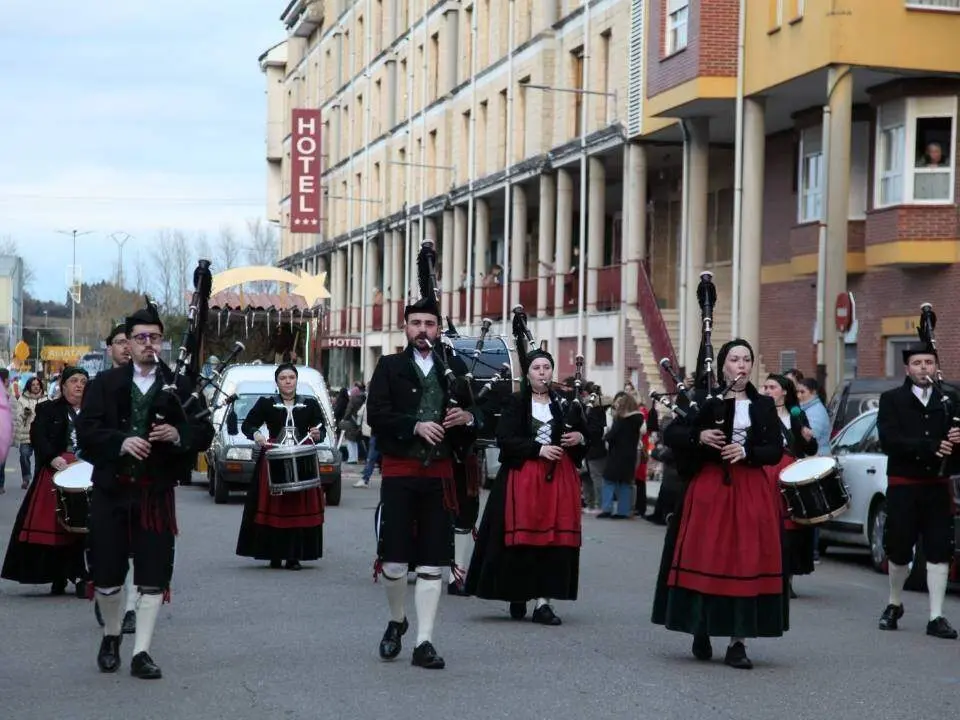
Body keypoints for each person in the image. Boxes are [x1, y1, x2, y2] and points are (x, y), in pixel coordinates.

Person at [77, 304, 214, 680]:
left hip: (155, 494)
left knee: (153, 575)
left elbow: (204, 432)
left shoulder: (179, 385)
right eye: (140, 338)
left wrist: (178, 434)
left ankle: (141, 652)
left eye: (154, 337)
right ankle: (111, 635)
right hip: (111, 492)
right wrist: (120, 442)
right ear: (129, 342)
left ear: (162, 341)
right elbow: (86, 433)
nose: (147, 343)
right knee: (107, 577)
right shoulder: (105, 384)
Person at [652, 339, 787, 670]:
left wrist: (747, 452)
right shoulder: (701, 398)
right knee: (706, 556)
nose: (741, 365)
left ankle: (738, 642)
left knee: (745, 561)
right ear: (722, 365)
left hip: (750, 489)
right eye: (734, 359)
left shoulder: (763, 405)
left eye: (746, 359)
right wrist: (698, 437)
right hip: (710, 487)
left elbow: (774, 449)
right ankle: (701, 626)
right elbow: (671, 434)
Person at [367, 292, 480, 670]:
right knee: (395, 564)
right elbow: (376, 415)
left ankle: (424, 642)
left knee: (433, 562)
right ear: (405, 327)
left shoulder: (454, 368)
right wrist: (414, 425)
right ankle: (397, 619)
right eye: (416, 323)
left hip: (440, 476)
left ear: (438, 329)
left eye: (429, 324)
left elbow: (480, 414)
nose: (422, 330)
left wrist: (467, 418)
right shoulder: (389, 366)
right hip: (400, 472)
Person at [465, 315, 588, 627]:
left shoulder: (564, 403)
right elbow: (505, 439)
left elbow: (587, 433)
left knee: (552, 542)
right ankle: (518, 592)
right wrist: (538, 449)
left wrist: (579, 437)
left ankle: (543, 602)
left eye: (546, 367)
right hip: (523, 478)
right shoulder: (516, 403)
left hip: (558, 479)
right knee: (522, 541)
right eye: (537, 368)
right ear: (528, 373)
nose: (542, 372)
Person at [876, 343, 959, 640]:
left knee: (939, 549)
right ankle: (894, 603)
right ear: (907, 368)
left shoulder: (950, 400)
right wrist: (930, 446)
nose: (924, 368)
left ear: (936, 366)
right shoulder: (891, 399)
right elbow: (889, 441)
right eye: (917, 363)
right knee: (899, 548)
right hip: (904, 486)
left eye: (928, 362)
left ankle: (936, 616)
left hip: (937, 486)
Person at [1, 368, 86, 596]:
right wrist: (52, 457)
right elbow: (38, 434)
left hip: (87, 473)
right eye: (74, 381)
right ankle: (57, 574)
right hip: (56, 472)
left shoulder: (94, 411)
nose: (79, 385)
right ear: (63, 385)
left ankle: (81, 574)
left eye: (83, 381)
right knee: (56, 526)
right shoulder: (49, 408)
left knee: (85, 527)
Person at [235, 364, 326, 570]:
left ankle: (294, 556)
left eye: (291, 377)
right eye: (283, 378)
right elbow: (248, 424)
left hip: (301, 457)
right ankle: (274, 554)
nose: (287, 381)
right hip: (274, 457)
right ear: (277, 382)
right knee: (274, 505)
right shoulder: (266, 403)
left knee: (297, 505)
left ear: (296, 380)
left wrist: (317, 434)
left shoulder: (310, 404)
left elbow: (321, 429)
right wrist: (256, 434)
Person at [93, 324, 138, 634]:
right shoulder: (100, 385)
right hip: (109, 479)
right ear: (110, 348)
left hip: (143, 482)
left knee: (138, 550)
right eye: (119, 342)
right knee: (108, 550)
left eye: (129, 341)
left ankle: (132, 608)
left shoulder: (153, 384)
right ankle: (107, 591)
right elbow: (89, 432)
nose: (125, 347)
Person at [761, 374, 818, 598]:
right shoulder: (759, 413)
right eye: (765, 387)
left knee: (792, 527)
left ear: (784, 391)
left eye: (772, 387)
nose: (767, 391)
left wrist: (808, 438)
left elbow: (811, 449)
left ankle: (788, 579)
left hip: (792, 472)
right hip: (767, 471)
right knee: (768, 523)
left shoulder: (797, 414)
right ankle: (768, 576)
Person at [599, 393, 645, 519]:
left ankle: (607, 508)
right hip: (630, 455)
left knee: (608, 481)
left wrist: (605, 436)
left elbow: (612, 435)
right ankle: (623, 511)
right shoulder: (638, 419)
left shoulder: (621, 420)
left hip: (616, 454)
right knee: (625, 483)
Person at [15, 375, 45, 489]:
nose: (36, 387)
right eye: (33, 385)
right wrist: (25, 413)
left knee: (40, 459)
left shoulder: (47, 398)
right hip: (26, 433)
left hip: (41, 434)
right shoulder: (22, 399)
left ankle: (37, 481)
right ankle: (26, 478)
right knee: (24, 455)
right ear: (29, 387)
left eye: (38, 384)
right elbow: (18, 417)